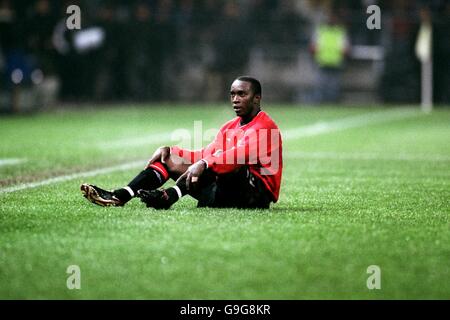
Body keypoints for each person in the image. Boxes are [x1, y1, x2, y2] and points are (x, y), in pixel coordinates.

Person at [81, 76, 283, 209]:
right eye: (232, 94)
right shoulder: (230, 126)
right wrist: (172, 151)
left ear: (257, 98)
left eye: (242, 94)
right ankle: (119, 196)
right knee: (169, 160)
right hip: (225, 194)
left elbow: (236, 157)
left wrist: (204, 164)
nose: (235, 99)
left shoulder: (265, 127)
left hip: (255, 197)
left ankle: (168, 197)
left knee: (223, 164)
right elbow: (205, 153)